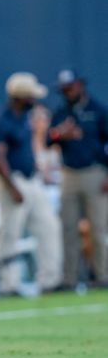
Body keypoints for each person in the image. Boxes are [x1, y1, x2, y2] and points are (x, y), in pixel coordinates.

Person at [0, 72, 62, 295]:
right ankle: (8, 284)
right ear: (20, 96)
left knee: (49, 227)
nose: (35, 98)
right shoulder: (3, 119)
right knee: (11, 233)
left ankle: (50, 279)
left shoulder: (23, 116)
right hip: (14, 181)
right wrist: (12, 187)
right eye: (31, 95)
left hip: (31, 179)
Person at [47, 69, 108, 289]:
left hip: (94, 172)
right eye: (63, 89)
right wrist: (58, 135)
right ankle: (70, 278)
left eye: (70, 88)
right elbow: (47, 138)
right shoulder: (61, 112)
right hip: (69, 173)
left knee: (98, 228)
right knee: (68, 228)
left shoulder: (97, 109)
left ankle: (101, 275)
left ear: (80, 85)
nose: (66, 92)